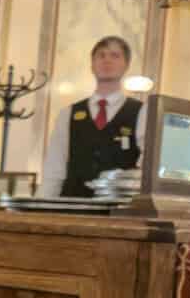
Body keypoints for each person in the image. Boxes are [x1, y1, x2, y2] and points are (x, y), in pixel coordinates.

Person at [39, 36, 148, 198]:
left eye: (115, 55)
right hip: (72, 205)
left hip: (118, 208)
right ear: (92, 65)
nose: (107, 60)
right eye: (101, 55)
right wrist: (41, 205)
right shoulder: (69, 113)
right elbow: (55, 167)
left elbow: (147, 164)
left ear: (126, 65)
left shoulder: (141, 112)